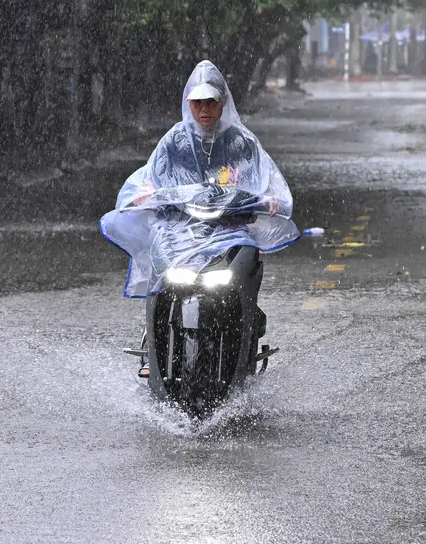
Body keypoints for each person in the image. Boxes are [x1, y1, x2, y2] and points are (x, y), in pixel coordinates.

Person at [100, 61, 299, 372]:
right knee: (160, 267)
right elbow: (152, 175)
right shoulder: (174, 141)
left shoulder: (241, 141)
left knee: (248, 262)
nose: (204, 110)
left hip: (230, 228)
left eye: (210, 102)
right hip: (180, 227)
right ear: (188, 104)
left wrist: (271, 199)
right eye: (198, 103)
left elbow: (265, 176)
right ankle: (152, 344)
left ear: (222, 103)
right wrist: (146, 192)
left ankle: (246, 335)